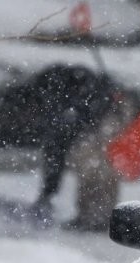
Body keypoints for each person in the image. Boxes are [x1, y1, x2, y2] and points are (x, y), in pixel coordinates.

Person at [24, 64, 132, 231]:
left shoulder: (61, 106)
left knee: (95, 171)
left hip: (103, 125)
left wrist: (48, 192)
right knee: (95, 171)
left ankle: (95, 219)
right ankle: (94, 217)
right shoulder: (59, 97)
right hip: (100, 121)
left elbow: (56, 155)